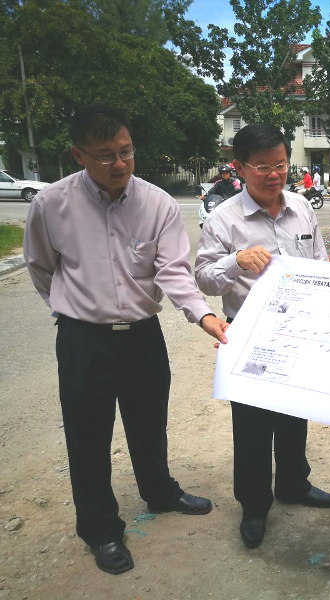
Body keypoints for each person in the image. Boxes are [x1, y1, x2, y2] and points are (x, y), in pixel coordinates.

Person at [22, 103, 229, 575]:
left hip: (141, 335)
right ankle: (100, 529)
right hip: (82, 340)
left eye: (126, 152)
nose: (119, 164)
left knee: (148, 421)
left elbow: (173, 271)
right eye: (105, 155)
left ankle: (160, 492)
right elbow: (39, 266)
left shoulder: (157, 203)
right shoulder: (51, 204)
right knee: (87, 435)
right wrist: (70, 307)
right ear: (79, 155)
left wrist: (204, 317)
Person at [194, 124, 330, 550]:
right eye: (263, 167)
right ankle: (254, 505)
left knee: (295, 412)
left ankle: (294, 482)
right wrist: (235, 262)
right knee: (253, 425)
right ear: (239, 168)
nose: (274, 175)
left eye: (280, 165)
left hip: (300, 328)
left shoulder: (301, 209)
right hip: (251, 333)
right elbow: (203, 278)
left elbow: (322, 262)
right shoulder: (223, 219)